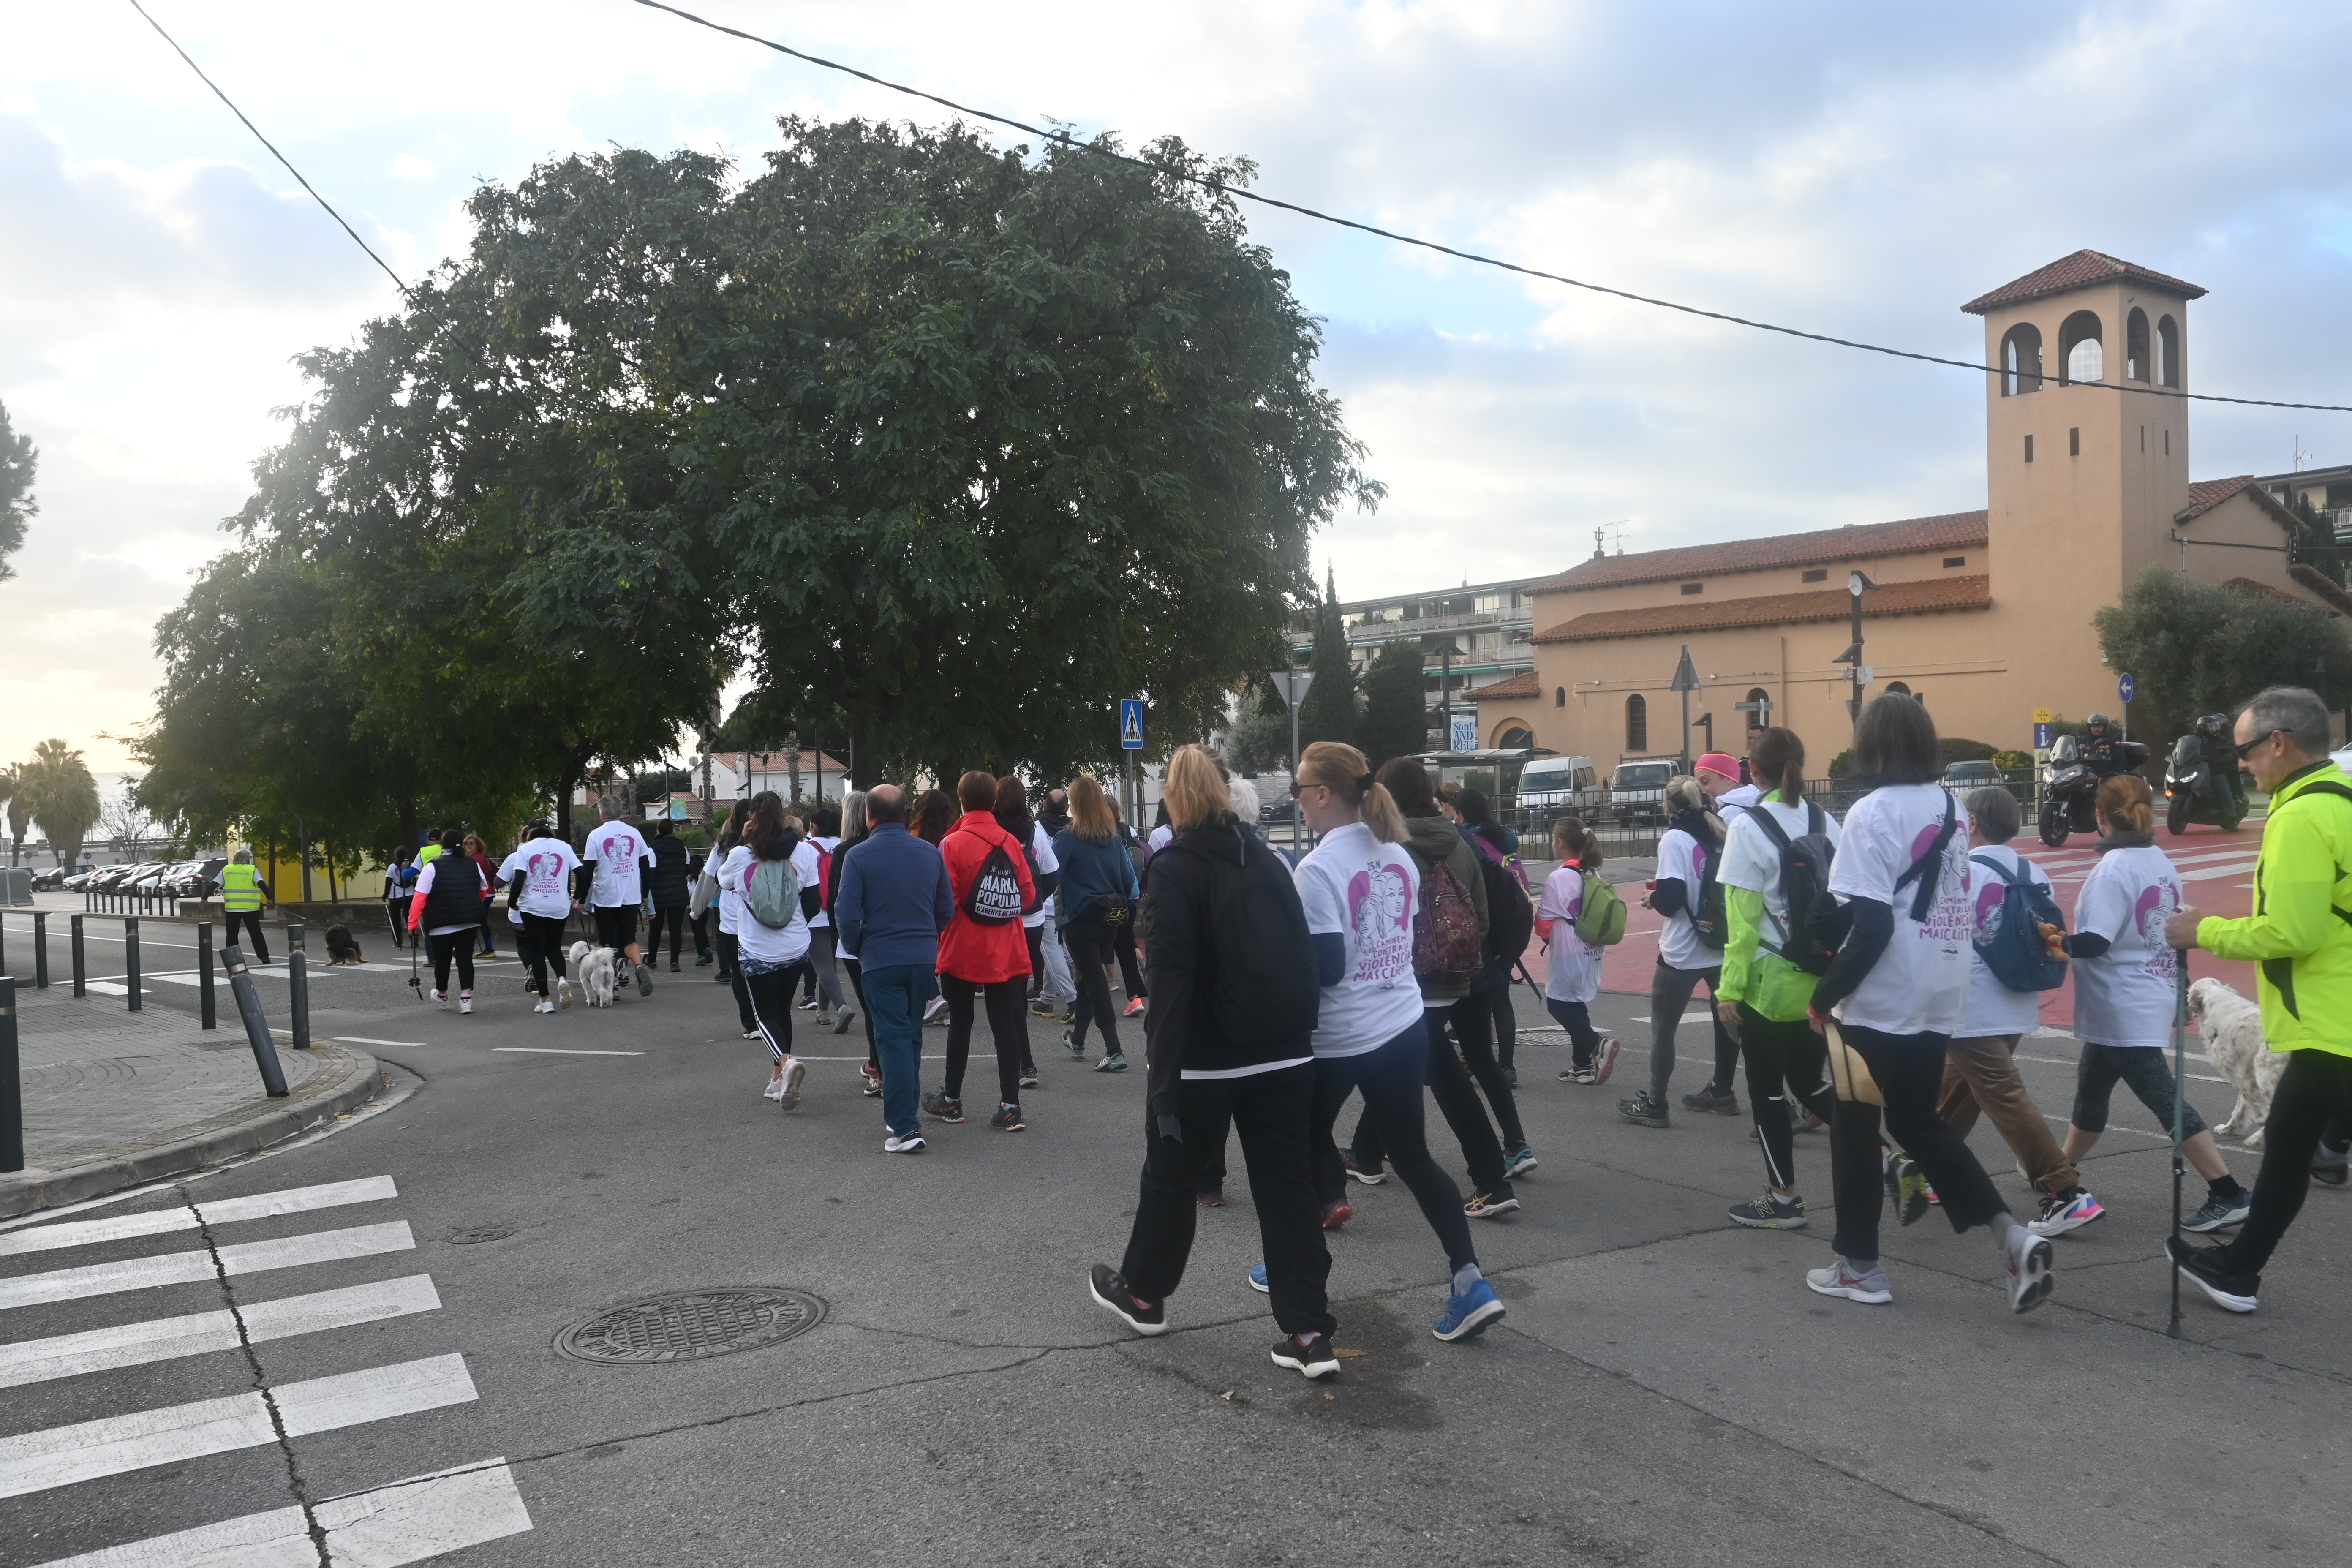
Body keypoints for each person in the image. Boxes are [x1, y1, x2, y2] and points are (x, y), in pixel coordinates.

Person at [1087, 744, 1338, 1377]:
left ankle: (1144, 1294)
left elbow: (1170, 979)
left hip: (1204, 1061)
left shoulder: (1173, 869)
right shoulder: (1272, 860)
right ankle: (1310, 1333)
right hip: (1283, 1055)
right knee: (1287, 1191)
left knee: (1170, 1180)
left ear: (1174, 800)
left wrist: (1161, 1081)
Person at [1805, 693, 2054, 1313]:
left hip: (1883, 994)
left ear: (1869, 744)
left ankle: (1860, 1266)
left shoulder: (1870, 812)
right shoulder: (1948, 804)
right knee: (1919, 1120)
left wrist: (1825, 993)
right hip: (1944, 982)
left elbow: (1870, 925)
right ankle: (2011, 1235)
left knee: (1855, 1126)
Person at [1288, 741, 1507, 1343]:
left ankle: (1295, 1270)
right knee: (1412, 1155)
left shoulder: (1317, 870)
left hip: (1340, 1035)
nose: (1297, 802)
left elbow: (1329, 968)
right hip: (1402, 1023)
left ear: (1325, 794)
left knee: (1302, 1151)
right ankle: (1469, 1280)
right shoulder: (1398, 854)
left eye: (1299, 790)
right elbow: (1395, 941)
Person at [2165, 686, 2352, 1311]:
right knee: (2288, 1148)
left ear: (2280, 743)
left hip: (2332, 1023)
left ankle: (2240, 1269)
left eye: (2246, 751)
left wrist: (2205, 932)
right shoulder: (2340, 801)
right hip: (2324, 1021)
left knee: (2294, 1145)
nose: (2241, 764)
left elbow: (2291, 933)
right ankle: (2238, 1270)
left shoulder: (2300, 816)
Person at [2045, 773, 2249, 1233]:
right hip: (2144, 993)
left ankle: (2228, 1191)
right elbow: (2170, 932)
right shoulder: (2160, 860)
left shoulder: (2112, 869)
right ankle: (2055, 1169)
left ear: (2100, 817)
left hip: (2124, 1003)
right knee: (2092, 1087)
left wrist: (2058, 944)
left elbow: (2096, 941)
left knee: (2165, 1099)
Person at [1350, 759, 1524, 1217]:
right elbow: (1482, 915)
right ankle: (1365, 1152)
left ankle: (1492, 1180)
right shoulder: (1459, 841)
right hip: (1457, 973)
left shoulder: (1389, 847)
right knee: (1396, 1065)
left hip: (1409, 981)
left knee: (1443, 1078)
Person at [1936, 786, 2106, 1239]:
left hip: (1973, 1000)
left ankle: (2063, 1190)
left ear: (1971, 824)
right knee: (1963, 1086)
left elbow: (1944, 937)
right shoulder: (2036, 871)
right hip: (2020, 994)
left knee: (2000, 1093)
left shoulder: (1963, 870)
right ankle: (1929, 1168)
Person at [1712, 727, 1841, 1229]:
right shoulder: (1826, 820)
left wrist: (1728, 989)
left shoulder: (1748, 827)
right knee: (1811, 1083)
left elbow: (1741, 921)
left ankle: (1783, 1198)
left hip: (1767, 982)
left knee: (1767, 1094)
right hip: (1818, 978)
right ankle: (1884, 1156)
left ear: (1752, 769)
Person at [836, 783, 954, 1153]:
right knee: (911, 1038)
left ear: (869, 815)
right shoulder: (929, 853)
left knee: (892, 1040)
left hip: (880, 957)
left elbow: (847, 913)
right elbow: (946, 908)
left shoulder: (859, 856)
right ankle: (905, 1119)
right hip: (922, 958)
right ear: (906, 814)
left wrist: (859, 948)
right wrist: (926, 937)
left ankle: (904, 1127)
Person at [926, 771, 1039, 1132]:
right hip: (1006, 947)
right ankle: (1010, 1105)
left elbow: (946, 901)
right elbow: (1029, 896)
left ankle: (953, 1100)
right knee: (1004, 1023)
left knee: (961, 1022)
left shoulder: (952, 843)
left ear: (961, 801)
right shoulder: (1010, 841)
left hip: (964, 947)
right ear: (993, 802)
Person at [1620, 777, 1735, 1127]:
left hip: (1685, 948)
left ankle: (1656, 1103)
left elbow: (1670, 901)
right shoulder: (1721, 831)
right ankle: (1763, 1098)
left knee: (1664, 1030)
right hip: (1722, 944)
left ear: (1669, 805)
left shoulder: (1674, 839)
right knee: (1734, 1026)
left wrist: (1652, 898)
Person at [717, 791, 819, 1109]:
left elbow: (723, 883)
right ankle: (779, 1080)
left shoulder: (741, 856)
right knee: (783, 1010)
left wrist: (740, 843)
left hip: (758, 948)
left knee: (764, 1016)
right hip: (797, 946)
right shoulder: (804, 853)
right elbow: (814, 904)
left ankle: (786, 1064)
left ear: (752, 820)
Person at [1053, 774, 1140, 1071]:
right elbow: (1130, 883)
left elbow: (1051, 875)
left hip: (1079, 921)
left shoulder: (1067, 838)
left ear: (1074, 804)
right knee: (1087, 980)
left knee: (1095, 982)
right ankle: (1077, 1041)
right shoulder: (1114, 839)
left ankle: (1114, 1050)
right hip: (1111, 921)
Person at [1446, 788, 1529, 1086]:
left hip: (1480, 930)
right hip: (1508, 928)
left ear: (1462, 813)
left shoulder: (1467, 841)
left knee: (1467, 998)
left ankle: (1472, 1058)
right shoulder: (1504, 839)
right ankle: (1506, 1066)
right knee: (1501, 1000)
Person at [1536, 816, 1619, 1083]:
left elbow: (1543, 922)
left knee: (1557, 1004)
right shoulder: (1591, 872)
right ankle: (1582, 1064)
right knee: (1575, 1003)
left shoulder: (1558, 877)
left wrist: (1545, 935)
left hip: (1569, 949)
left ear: (1560, 843)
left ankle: (1597, 1045)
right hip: (1593, 947)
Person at [499, 820, 580, 1013]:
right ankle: (562, 979)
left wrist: (512, 902)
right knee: (554, 948)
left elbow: (518, 879)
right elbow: (582, 872)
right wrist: (577, 897)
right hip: (559, 907)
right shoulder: (564, 847)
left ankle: (545, 1000)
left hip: (533, 907)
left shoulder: (525, 850)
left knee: (537, 952)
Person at [580, 796, 656, 998]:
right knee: (629, 939)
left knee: (606, 943)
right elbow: (645, 866)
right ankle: (639, 965)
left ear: (602, 814)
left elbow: (588, 870)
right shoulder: (635, 833)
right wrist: (645, 893)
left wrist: (580, 899)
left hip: (606, 895)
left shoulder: (596, 835)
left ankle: (611, 986)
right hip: (630, 895)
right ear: (619, 811)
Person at [410, 829, 488, 1013]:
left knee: (443, 960)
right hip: (469, 920)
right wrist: (472, 905)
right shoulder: (472, 863)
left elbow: (420, 897)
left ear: (442, 846)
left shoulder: (432, 866)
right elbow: (483, 889)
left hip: (440, 923)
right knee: (465, 959)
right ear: (461, 844)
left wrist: (413, 924)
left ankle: (443, 994)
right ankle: (466, 999)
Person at [796, 804, 854, 1030]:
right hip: (838, 914)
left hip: (815, 916)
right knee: (829, 963)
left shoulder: (807, 848)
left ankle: (841, 1007)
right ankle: (823, 1011)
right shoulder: (844, 847)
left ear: (814, 826)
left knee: (823, 966)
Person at [1111, 798, 1149, 1017]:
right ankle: (1135, 998)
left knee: (1093, 953)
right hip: (1128, 901)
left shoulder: (1103, 837)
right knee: (1126, 949)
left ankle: (1082, 1004)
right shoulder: (1128, 834)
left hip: (1106, 903)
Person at [645, 819, 695, 972]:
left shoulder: (652, 849)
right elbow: (687, 867)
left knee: (656, 928)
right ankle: (674, 962)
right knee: (676, 929)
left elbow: (651, 872)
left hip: (659, 894)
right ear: (672, 830)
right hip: (679, 893)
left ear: (658, 831)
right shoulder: (682, 846)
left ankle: (652, 960)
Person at [220, 848, 275, 964]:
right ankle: (264, 956)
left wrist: (205, 898)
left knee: (232, 935)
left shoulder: (227, 870)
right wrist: (269, 898)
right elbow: (262, 884)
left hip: (232, 909)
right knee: (256, 934)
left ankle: (232, 959)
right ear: (247, 860)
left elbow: (214, 883)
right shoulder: (252, 870)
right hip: (251, 909)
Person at [461, 833, 500, 958]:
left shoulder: (476, 859)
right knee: (481, 922)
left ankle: (475, 949)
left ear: (477, 845)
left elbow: (474, 879)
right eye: (466, 843)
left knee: (474, 921)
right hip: (487, 893)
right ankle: (488, 949)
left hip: (483, 894)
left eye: (471, 843)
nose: (468, 846)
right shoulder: (478, 857)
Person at [2078, 713, 2129, 777]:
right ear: (2090, 728)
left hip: (2106, 776)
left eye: (2100, 727)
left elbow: (2121, 762)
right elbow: (2076, 759)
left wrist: (2110, 774)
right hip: (2086, 776)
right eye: (2094, 727)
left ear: (2104, 728)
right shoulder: (2083, 741)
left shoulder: (2113, 742)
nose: (2096, 729)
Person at [381, 850, 413, 949]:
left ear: (396, 855)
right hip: (410, 895)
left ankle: (398, 941)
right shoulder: (411, 865)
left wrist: (385, 895)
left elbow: (388, 883)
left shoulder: (392, 867)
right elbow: (415, 880)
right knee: (410, 918)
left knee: (396, 919)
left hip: (396, 896)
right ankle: (413, 938)